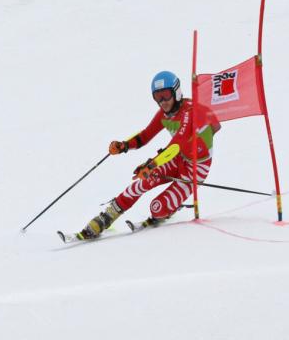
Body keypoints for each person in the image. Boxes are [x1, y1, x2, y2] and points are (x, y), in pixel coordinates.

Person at [77, 70, 221, 239]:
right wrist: (124, 146)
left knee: (157, 208)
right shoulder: (164, 114)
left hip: (195, 169)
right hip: (177, 159)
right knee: (141, 183)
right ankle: (107, 217)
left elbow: (177, 145)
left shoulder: (190, 112)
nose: (163, 102)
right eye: (158, 97)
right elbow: (146, 135)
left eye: (166, 95)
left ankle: (169, 209)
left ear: (177, 92)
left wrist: (152, 164)